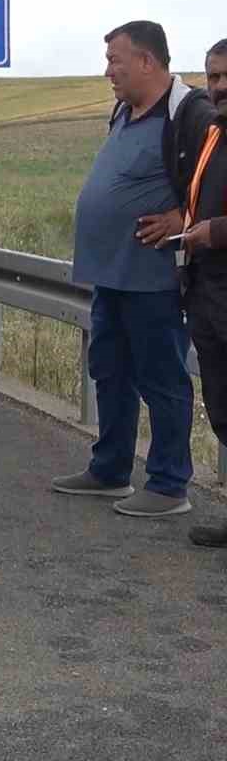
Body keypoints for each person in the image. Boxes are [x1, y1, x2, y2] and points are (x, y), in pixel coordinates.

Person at [53, 21, 215, 517]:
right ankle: (110, 470)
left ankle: (168, 486)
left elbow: (216, 185)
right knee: (110, 370)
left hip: (153, 278)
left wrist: (183, 217)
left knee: (161, 376)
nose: (108, 73)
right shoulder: (124, 110)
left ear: (147, 61)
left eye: (115, 62)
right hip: (112, 273)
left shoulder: (191, 114)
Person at [180, 39, 227, 546]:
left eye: (226, 76)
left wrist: (213, 232)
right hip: (209, 294)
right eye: (213, 76)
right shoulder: (214, 134)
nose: (219, 86)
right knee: (222, 409)